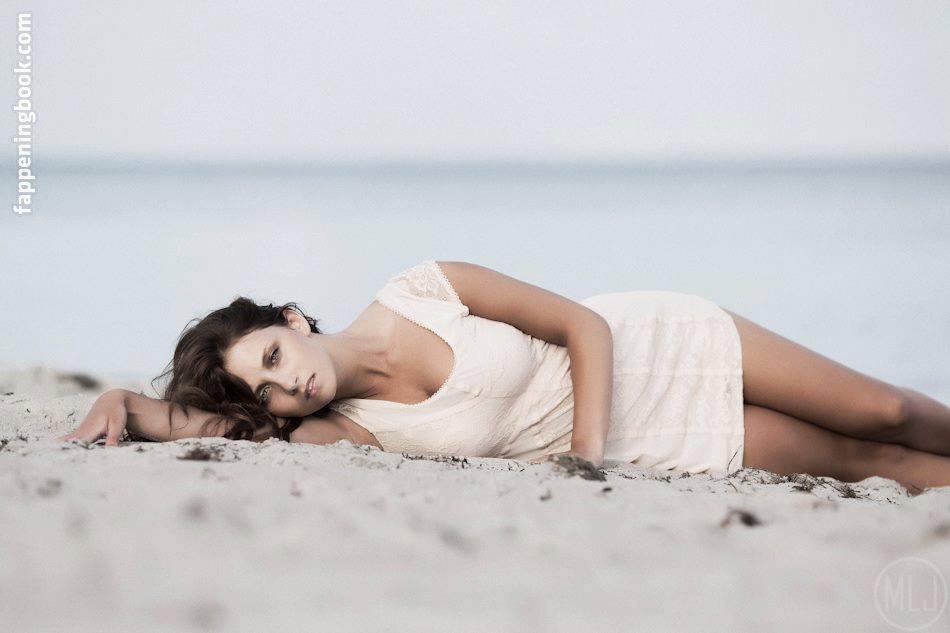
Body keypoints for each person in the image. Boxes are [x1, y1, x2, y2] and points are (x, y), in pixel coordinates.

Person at [58, 259, 950, 493]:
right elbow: (213, 432)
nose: (285, 388)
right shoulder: (346, 432)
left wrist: (585, 456)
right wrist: (123, 402)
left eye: (273, 358)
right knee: (866, 461)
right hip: (657, 438)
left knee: (886, 406)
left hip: (653, 345)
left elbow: (580, 324)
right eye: (266, 391)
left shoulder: (422, 288)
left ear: (291, 319)